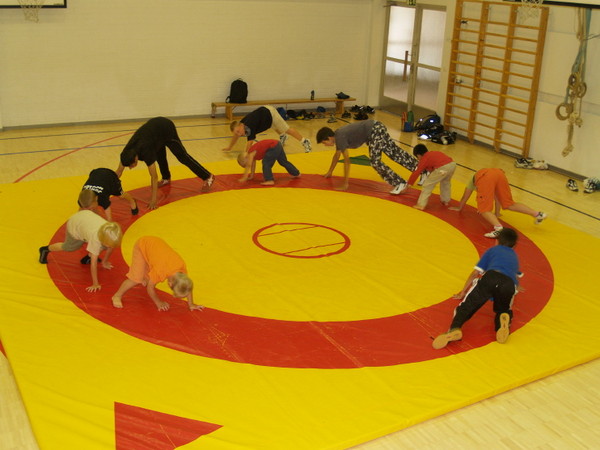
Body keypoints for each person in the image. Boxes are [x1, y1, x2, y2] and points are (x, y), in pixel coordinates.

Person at [432, 227, 522, 349]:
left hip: (491, 277)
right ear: (514, 246)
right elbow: (515, 277)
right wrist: (516, 287)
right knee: (504, 309)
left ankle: (455, 328)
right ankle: (503, 320)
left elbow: (475, 273)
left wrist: (463, 291)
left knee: (466, 306)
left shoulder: (493, 250)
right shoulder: (515, 257)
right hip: (509, 284)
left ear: (497, 241)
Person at [116, 117, 214, 210]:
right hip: (154, 136)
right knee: (160, 156)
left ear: (136, 157)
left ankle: (207, 176)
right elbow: (119, 172)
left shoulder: (146, 151)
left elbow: (154, 176)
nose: (131, 168)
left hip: (165, 128)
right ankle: (166, 178)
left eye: (132, 165)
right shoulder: (126, 153)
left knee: (182, 156)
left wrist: (153, 200)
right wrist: (108, 186)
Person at [316, 120, 418, 192]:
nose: (325, 145)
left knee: (375, 161)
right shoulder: (338, 135)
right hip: (376, 127)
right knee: (393, 151)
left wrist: (345, 183)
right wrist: (330, 172)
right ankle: (418, 167)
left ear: (329, 138)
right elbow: (336, 155)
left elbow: (347, 161)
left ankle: (399, 183)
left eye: (324, 143)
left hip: (374, 130)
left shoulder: (339, 138)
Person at [111, 236, 203, 312]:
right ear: (169, 284)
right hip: (142, 246)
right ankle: (117, 295)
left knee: (148, 275)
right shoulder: (160, 271)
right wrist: (159, 302)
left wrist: (191, 304)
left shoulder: (181, 269)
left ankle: (145, 277)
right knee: (136, 279)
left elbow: (187, 286)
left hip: (155, 248)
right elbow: (150, 288)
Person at [38, 210, 122, 293]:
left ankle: (88, 257)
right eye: (109, 245)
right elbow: (93, 264)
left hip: (85, 217)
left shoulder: (110, 231)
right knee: (69, 247)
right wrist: (95, 284)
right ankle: (45, 249)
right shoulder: (96, 238)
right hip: (75, 225)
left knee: (103, 246)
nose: (111, 247)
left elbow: (110, 246)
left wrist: (105, 262)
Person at [450, 168, 547, 238]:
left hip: (486, 176)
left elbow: (465, 196)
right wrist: (497, 213)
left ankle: (499, 229)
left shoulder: (475, 181)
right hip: (500, 174)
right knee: (509, 204)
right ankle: (538, 214)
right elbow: (497, 198)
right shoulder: (485, 180)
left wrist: (459, 208)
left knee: (483, 209)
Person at [223, 105, 312, 153]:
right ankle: (283, 136)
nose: (239, 134)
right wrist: (229, 147)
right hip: (265, 118)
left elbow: (249, 143)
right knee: (274, 126)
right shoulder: (241, 125)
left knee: (287, 129)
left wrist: (246, 156)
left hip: (270, 113)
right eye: (237, 133)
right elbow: (235, 135)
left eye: (238, 131)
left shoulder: (249, 126)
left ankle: (305, 141)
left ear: (240, 125)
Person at [406, 144, 456, 210]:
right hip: (452, 165)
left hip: (442, 168)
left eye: (417, 157)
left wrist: (409, 183)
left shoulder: (424, 158)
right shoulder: (432, 153)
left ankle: (421, 205)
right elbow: (432, 169)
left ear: (418, 155)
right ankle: (445, 200)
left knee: (427, 184)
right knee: (445, 182)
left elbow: (417, 172)